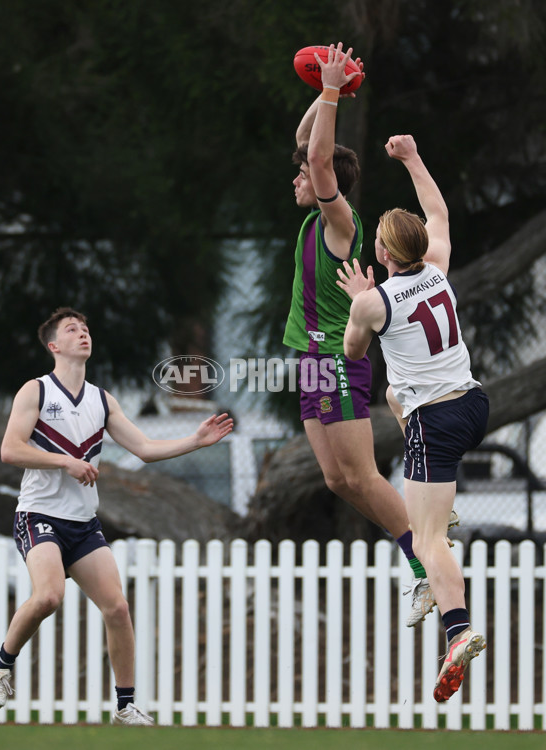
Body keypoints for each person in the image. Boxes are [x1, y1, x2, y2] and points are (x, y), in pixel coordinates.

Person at [0, 307, 233, 725]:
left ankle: (125, 707)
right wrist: (65, 461)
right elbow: (10, 450)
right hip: (39, 515)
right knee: (48, 597)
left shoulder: (101, 399)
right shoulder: (36, 391)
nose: (83, 334)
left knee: (117, 608)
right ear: (54, 346)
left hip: (83, 524)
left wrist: (195, 439)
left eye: (85, 328)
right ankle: (1, 666)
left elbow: (146, 449)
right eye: (71, 330)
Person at [283, 42, 442, 626]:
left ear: (328, 184)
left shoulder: (339, 221)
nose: (297, 176)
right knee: (335, 478)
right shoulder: (309, 216)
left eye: (304, 174)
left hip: (336, 359)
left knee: (362, 475)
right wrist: (327, 93)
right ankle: (420, 553)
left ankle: (427, 557)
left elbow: (319, 162)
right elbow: (310, 147)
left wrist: (331, 92)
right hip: (310, 360)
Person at [336, 134, 489, 702]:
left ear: (382, 252)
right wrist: (412, 159)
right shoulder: (440, 268)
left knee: (426, 541)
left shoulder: (375, 299)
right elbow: (439, 212)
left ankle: (458, 629)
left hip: (437, 421)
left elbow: (354, 353)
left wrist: (360, 296)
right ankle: (438, 523)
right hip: (474, 405)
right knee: (397, 395)